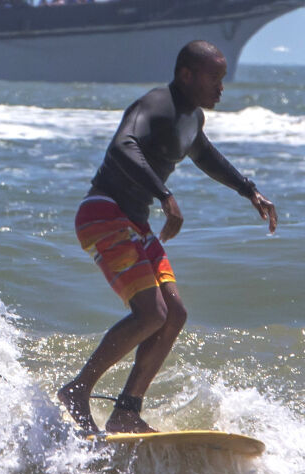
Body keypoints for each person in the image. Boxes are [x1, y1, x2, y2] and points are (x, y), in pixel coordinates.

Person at [57, 40, 277, 435]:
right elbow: (123, 144)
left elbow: (206, 156)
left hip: (133, 223)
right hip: (105, 213)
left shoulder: (192, 119)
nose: (221, 88)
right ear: (186, 75)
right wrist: (165, 195)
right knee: (151, 313)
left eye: (223, 79)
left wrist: (249, 190)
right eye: (214, 78)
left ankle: (127, 409)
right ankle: (78, 390)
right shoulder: (156, 104)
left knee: (173, 314)